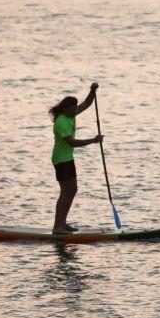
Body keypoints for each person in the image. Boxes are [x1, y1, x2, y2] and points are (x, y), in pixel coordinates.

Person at [49, 82, 102, 234]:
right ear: (65, 109)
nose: (75, 112)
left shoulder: (70, 113)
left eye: (75, 109)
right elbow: (72, 142)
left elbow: (87, 103)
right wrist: (93, 140)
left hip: (67, 158)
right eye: (72, 109)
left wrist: (92, 90)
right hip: (61, 160)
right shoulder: (61, 122)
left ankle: (62, 224)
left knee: (72, 190)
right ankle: (57, 227)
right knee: (66, 191)